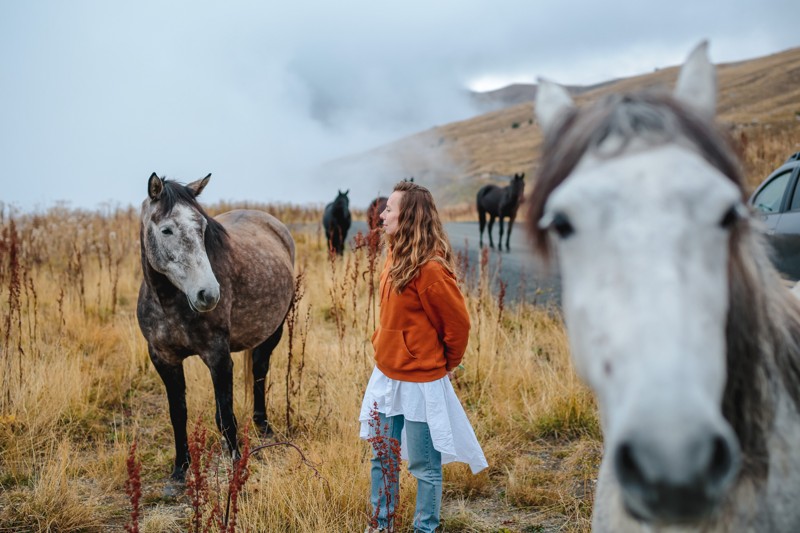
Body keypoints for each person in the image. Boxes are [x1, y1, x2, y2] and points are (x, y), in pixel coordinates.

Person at [359, 180, 488, 533]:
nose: (381, 214)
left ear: (409, 217)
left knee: (423, 466)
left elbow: (458, 326)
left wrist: (438, 365)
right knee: (382, 456)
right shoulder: (393, 255)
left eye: (389, 209)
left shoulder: (431, 269)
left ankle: (424, 528)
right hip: (386, 376)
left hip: (421, 383)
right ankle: (380, 525)